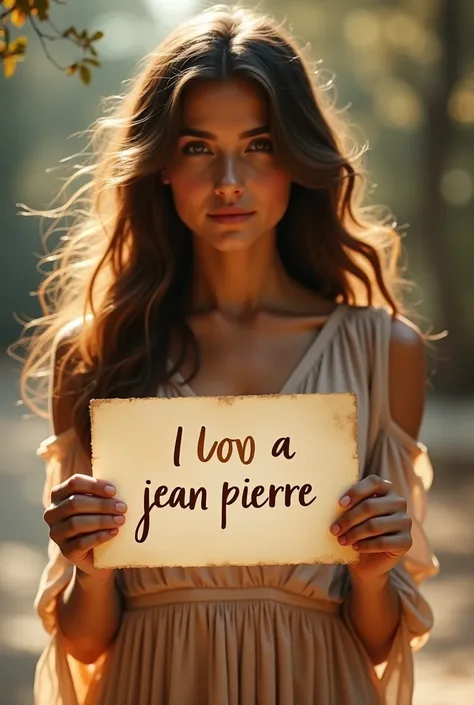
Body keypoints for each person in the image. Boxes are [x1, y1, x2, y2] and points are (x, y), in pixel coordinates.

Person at [19, 5, 438, 705]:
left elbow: (375, 641)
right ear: (158, 166)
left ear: (299, 159)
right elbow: (85, 642)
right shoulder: (95, 351)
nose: (229, 180)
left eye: (261, 143)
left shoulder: (383, 352)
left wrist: (372, 572)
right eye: (196, 147)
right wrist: (86, 568)